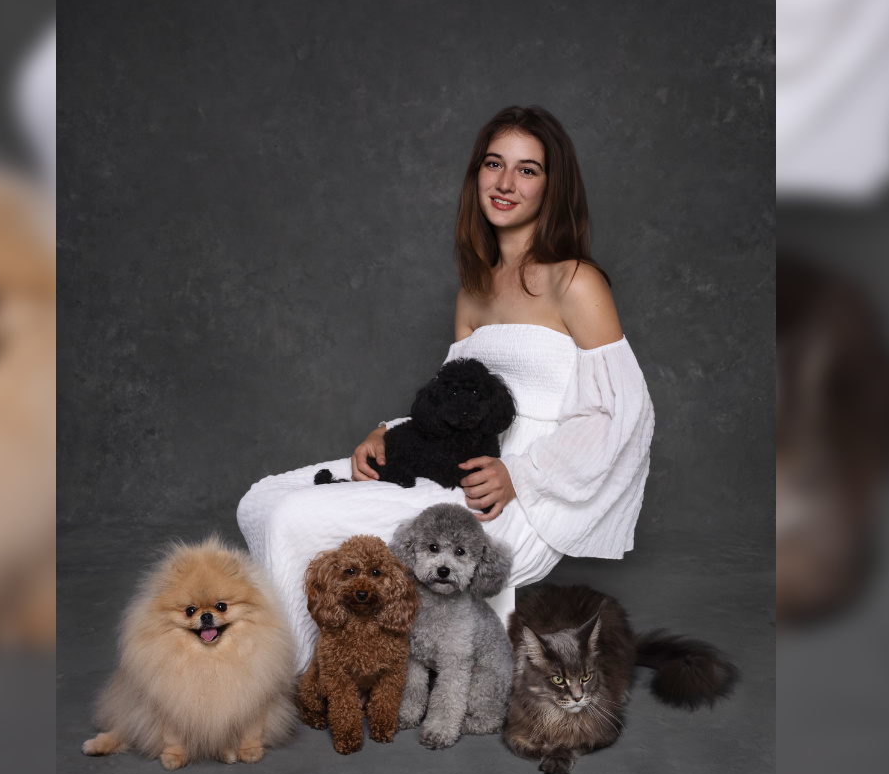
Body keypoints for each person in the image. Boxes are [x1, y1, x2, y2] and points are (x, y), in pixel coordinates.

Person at [237, 105, 655, 672]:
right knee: (267, 503)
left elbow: (621, 411)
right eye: (494, 164)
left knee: (294, 520)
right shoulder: (473, 292)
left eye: (528, 170)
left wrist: (522, 475)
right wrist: (385, 432)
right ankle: (323, 662)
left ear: (553, 188)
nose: (505, 183)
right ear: (476, 174)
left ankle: (286, 675)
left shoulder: (574, 281)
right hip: (448, 464)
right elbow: (448, 399)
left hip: (517, 494)